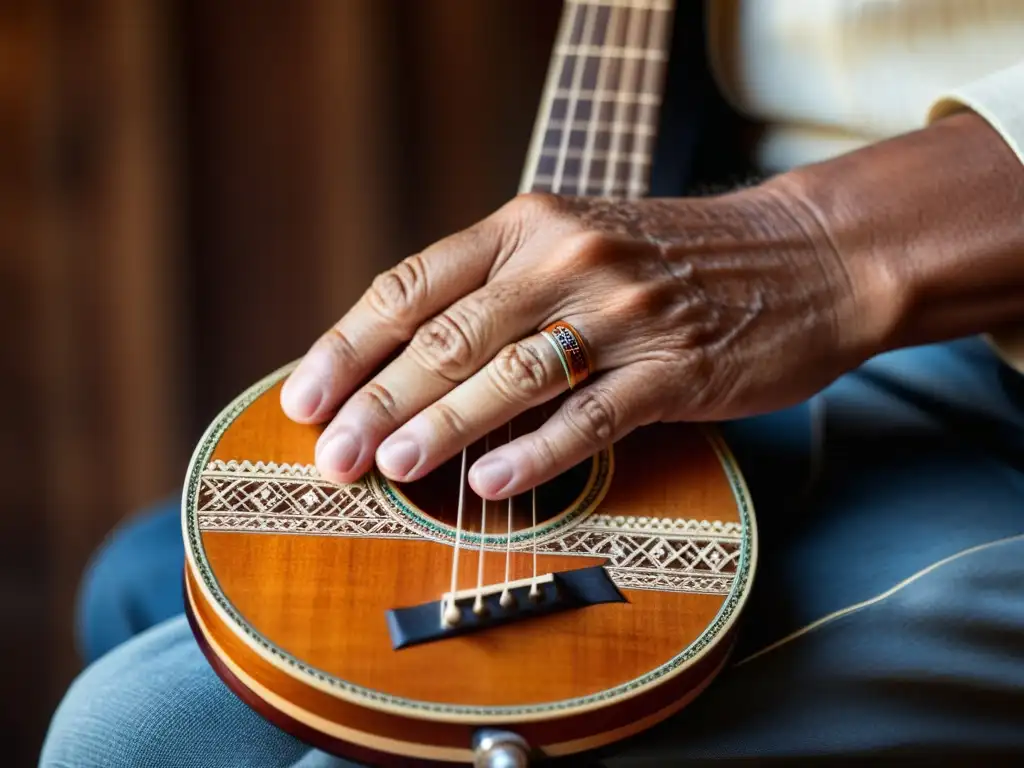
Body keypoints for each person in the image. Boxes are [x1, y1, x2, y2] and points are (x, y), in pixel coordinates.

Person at [41, 1, 1024, 765]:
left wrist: (811, 244)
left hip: (970, 349)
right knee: (141, 575)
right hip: (741, 295)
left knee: (139, 735)